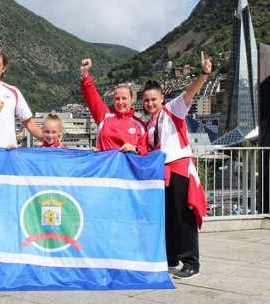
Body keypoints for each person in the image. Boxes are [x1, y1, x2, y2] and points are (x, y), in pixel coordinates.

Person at [141, 51, 210, 279]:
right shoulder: (150, 124)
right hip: (163, 173)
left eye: (153, 99)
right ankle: (171, 259)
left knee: (183, 217)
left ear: (161, 98)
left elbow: (190, 92)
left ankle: (191, 263)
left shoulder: (173, 110)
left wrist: (203, 74)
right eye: (146, 100)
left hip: (179, 168)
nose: (150, 103)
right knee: (168, 217)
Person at [79, 59, 146, 153]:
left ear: (132, 99)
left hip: (124, 168)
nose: (120, 102)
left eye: (124, 98)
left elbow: (147, 150)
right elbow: (91, 96)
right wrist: (85, 74)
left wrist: (135, 148)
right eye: (117, 98)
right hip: (104, 166)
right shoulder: (104, 116)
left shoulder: (140, 127)